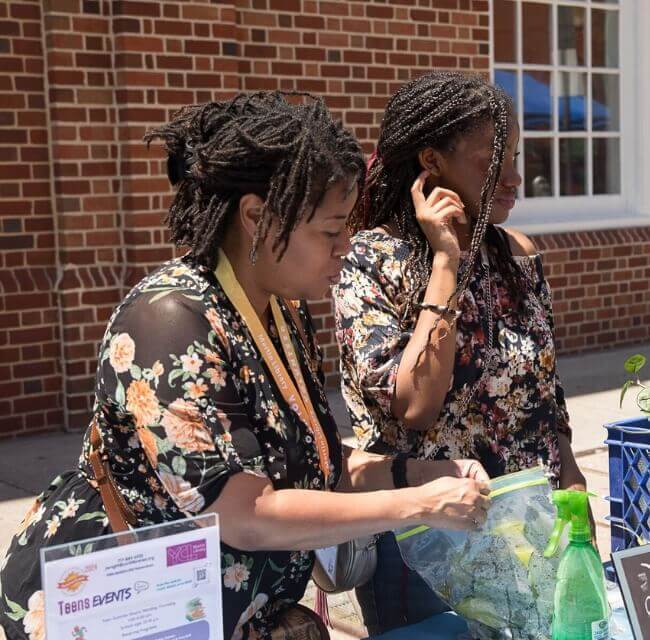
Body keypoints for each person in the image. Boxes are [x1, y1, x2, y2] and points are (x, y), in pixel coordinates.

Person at [0, 91, 492, 640]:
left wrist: (420, 472)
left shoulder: (281, 309)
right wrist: (418, 503)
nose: (346, 248)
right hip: (119, 607)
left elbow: (315, 459)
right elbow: (244, 513)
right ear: (257, 216)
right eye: (330, 232)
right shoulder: (168, 321)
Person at [332, 72, 588, 634]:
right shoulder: (372, 262)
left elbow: (546, 394)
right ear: (432, 162)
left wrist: (572, 485)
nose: (515, 177)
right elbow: (415, 407)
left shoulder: (518, 257)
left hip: (531, 535)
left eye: (516, 156)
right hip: (428, 546)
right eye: (490, 160)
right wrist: (446, 263)